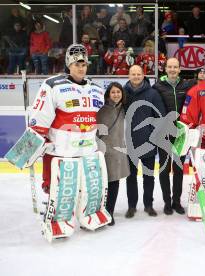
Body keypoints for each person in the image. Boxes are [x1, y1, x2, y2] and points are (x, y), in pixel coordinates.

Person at [29, 44, 104, 193]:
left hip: (86, 153)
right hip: (60, 153)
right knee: (58, 197)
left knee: (81, 196)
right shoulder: (53, 85)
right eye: (77, 64)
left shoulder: (96, 89)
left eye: (84, 64)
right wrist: (32, 145)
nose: (81, 68)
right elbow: (40, 117)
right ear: (69, 64)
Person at [153, 58, 195, 215]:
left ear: (179, 69)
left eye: (175, 67)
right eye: (169, 67)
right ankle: (167, 202)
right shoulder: (157, 86)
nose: (172, 69)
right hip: (164, 133)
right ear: (165, 69)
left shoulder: (186, 85)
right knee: (164, 169)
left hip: (181, 134)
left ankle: (176, 201)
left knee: (178, 169)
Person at [124, 65, 166, 218]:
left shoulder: (152, 93)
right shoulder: (122, 93)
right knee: (131, 177)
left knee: (148, 176)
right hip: (129, 143)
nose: (136, 76)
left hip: (147, 142)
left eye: (138, 74)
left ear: (143, 75)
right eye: (133, 74)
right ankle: (131, 206)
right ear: (129, 76)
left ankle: (148, 205)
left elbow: (160, 116)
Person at [97, 82, 130, 226]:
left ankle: (109, 211)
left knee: (114, 182)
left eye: (118, 92)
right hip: (102, 151)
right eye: (113, 92)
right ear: (108, 94)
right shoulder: (101, 109)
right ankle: (99, 210)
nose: (116, 94)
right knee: (101, 183)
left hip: (117, 151)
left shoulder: (124, 109)